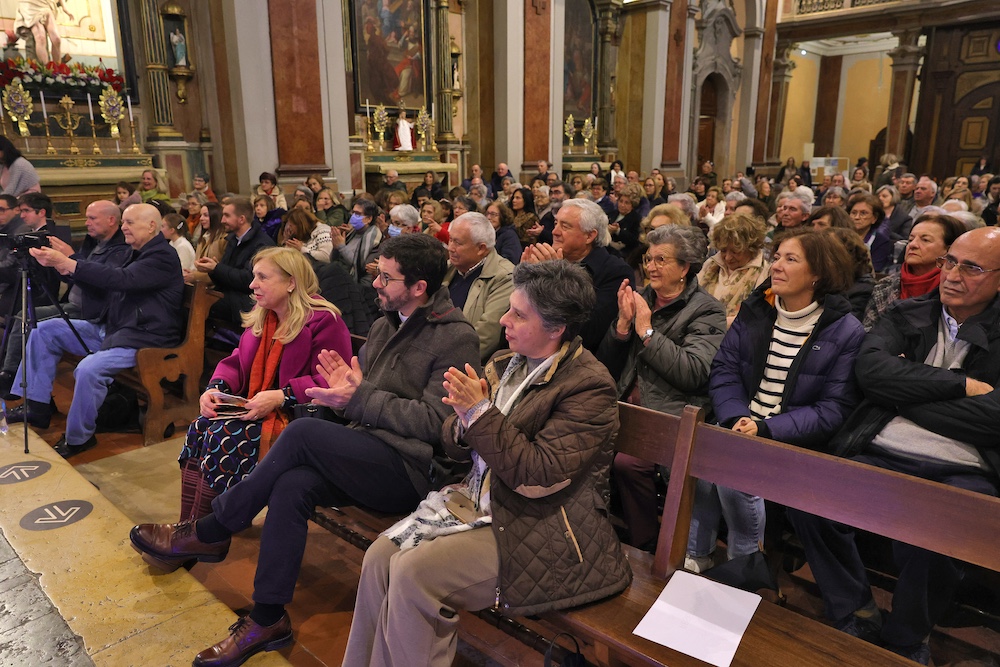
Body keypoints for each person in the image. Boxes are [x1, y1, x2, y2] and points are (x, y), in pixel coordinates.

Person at [129, 234, 480, 665]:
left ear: (419, 287)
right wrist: (337, 398)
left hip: (410, 469)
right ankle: (266, 618)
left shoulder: (454, 336)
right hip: (366, 446)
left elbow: (436, 424)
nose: (375, 285)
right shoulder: (388, 320)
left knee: (299, 436)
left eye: (386, 278)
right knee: (292, 486)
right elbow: (351, 388)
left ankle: (210, 529)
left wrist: (355, 399)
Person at [343, 259, 630, 666]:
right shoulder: (503, 363)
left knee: (415, 573)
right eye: (508, 307)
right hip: (484, 502)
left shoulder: (588, 385)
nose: (503, 319)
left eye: (518, 314)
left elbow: (538, 476)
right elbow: (456, 444)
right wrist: (462, 424)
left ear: (556, 327)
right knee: (379, 557)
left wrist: (477, 414)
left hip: (544, 524)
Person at [788, 226, 1000, 665]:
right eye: (950, 262)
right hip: (880, 447)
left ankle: (907, 638)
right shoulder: (908, 313)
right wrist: (961, 385)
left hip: (964, 467)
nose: (953, 275)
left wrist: (904, 392)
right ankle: (854, 608)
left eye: (972, 267)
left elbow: (994, 418)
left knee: (942, 532)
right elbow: (869, 374)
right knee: (808, 495)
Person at [692, 228, 864, 572]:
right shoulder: (757, 309)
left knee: (734, 478)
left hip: (791, 436)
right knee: (696, 464)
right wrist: (735, 417)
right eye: (777, 257)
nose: (777, 267)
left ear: (818, 273)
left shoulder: (844, 330)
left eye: (791, 259)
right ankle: (694, 556)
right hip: (740, 421)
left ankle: (744, 565)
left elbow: (832, 409)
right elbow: (725, 369)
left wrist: (765, 428)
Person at [178, 248, 352, 520]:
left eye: (262, 277)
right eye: (253, 276)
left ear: (291, 282)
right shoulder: (265, 314)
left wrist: (282, 396)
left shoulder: (324, 320)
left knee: (226, 435)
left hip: (301, 418)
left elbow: (333, 379)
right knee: (201, 425)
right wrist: (216, 388)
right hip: (262, 406)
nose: (252, 284)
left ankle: (214, 527)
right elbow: (238, 360)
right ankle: (190, 522)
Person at [8, 203, 184, 456]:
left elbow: (122, 280)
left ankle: (79, 438)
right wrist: (61, 265)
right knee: (44, 331)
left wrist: (69, 263)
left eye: (130, 222)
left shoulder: (162, 257)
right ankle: (36, 406)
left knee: (89, 369)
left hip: (145, 339)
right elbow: (105, 277)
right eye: (123, 222)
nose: (124, 227)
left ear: (152, 226)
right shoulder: (133, 251)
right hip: (116, 329)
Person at [598, 225, 726, 550]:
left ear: (684, 268)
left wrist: (646, 331)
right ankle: (594, 533)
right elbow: (607, 364)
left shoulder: (706, 310)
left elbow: (693, 372)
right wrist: (623, 326)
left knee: (628, 462)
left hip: (668, 414)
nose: (650, 267)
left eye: (661, 260)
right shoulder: (641, 298)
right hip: (623, 407)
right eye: (648, 259)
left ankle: (647, 545)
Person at [0, 200, 131, 398]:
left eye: (92, 218)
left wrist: (71, 259)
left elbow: (103, 283)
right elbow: (72, 277)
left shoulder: (120, 250)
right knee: (25, 315)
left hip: (90, 310)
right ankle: (15, 378)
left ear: (111, 220)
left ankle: (12, 378)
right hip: (76, 303)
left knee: (30, 320)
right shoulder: (94, 242)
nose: (86, 223)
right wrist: (59, 263)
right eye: (87, 218)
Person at [521, 198, 632, 352]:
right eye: (555, 224)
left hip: (578, 363)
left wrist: (554, 278)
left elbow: (588, 333)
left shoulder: (616, 273)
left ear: (589, 236)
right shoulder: (544, 261)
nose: (554, 232)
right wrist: (524, 280)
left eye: (565, 226)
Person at [863, 213, 966, 331]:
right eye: (911, 239)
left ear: (949, 250)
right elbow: (868, 331)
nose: (912, 245)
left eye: (925, 240)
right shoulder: (885, 286)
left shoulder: (957, 289)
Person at [441, 212, 515, 362]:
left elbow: (485, 336)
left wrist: (440, 361)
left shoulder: (504, 277)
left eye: (458, 243)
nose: (450, 248)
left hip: (463, 364)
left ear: (481, 248)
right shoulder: (448, 269)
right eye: (450, 240)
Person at [195, 198, 276, 327]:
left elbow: (249, 280)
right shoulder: (233, 239)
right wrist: (213, 270)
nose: (222, 221)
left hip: (248, 301)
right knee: (193, 299)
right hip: (229, 295)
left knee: (198, 306)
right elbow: (226, 277)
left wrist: (217, 268)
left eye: (226, 216)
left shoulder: (262, 244)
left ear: (241, 219)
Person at [698, 213, 770, 327]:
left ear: (751, 248)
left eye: (735, 252)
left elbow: (756, 317)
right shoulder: (710, 264)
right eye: (723, 250)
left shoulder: (765, 273)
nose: (727, 258)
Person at [848, 193, 892, 272]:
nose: (857, 217)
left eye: (863, 213)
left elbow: (876, 269)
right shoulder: (840, 237)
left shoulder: (881, 241)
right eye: (854, 213)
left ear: (874, 218)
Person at [186, 202, 227, 283]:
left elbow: (221, 272)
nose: (201, 218)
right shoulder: (203, 238)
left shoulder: (223, 239)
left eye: (206, 215)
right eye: (201, 215)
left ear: (215, 216)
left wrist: (195, 276)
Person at [609, 182, 643, 256]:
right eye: (621, 201)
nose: (622, 205)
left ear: (632, 205)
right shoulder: (612, 214)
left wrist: (618, 231)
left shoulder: (636, 219)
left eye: (627, 203)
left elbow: (634, 241)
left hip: (625, 254)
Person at [485, 200, 521, 266]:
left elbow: (510, 260)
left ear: (502, 216)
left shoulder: (509, 235)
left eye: (493, 214)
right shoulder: (485, 233)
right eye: (487, 214)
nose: (488, 217)